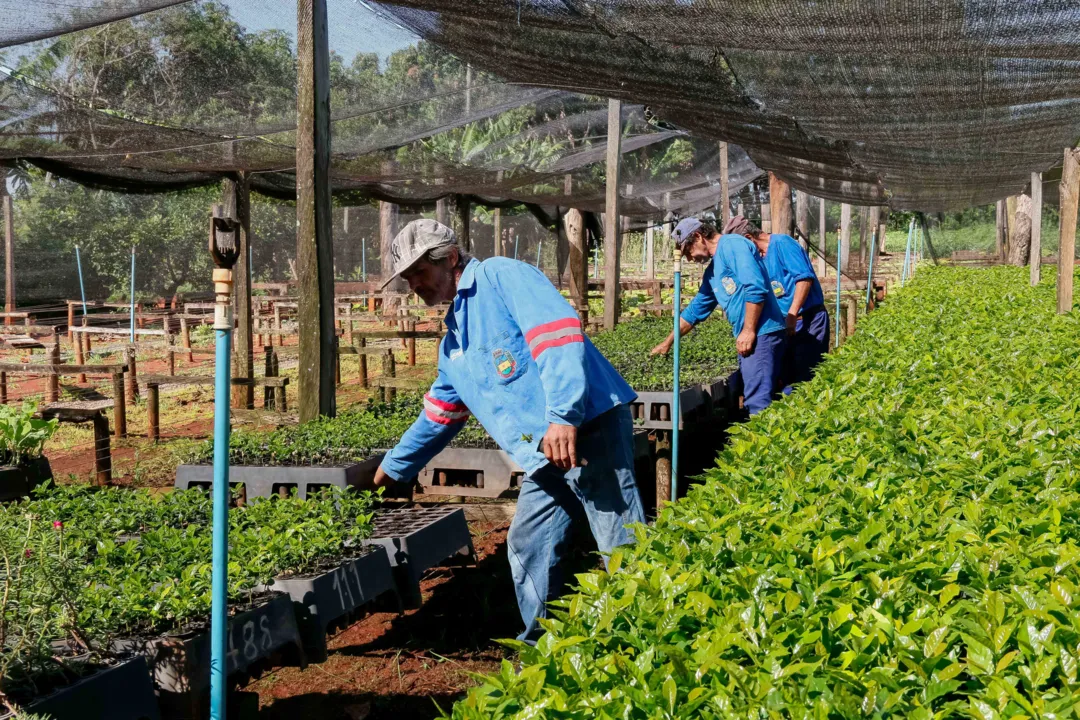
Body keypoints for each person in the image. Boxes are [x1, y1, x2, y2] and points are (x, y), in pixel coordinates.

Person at [369, 219, 645, 643]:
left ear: (451, 259)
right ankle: (546, 650)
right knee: (529, 543)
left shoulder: (501, 276)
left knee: (619, 539)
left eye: (419, 273)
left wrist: (564, 417)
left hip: (587, 429)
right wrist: (394, 468)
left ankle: (648, 639)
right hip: (545, 454)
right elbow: (441, 415)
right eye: (408, 278)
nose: (414, 286)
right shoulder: (454, 342)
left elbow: (559, 338)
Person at [650, 217, 787, 415]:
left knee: (758, 402)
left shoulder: (733, 245)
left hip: (762, 333)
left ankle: (761, 443)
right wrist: (667, 343)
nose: (688, 259)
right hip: (754, 336)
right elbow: (695, 311)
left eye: (688, 251)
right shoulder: (714, 271)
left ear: (698, 236)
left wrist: (748, 331)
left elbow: (756, 288)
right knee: (761, 394)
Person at [725, 215, 829, 391]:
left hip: (808, 320)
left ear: (749, 238)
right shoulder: (758, 259)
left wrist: (792, 314)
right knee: (786, 378)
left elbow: (804, 279)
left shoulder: (782, 244)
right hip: (785, 325)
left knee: (808, 377)